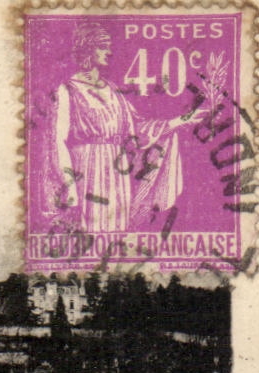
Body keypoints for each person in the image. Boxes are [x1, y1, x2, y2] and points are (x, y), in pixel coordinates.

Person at [53, 23, 198, 234]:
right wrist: (70, 187)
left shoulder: (113, 90)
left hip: (117, 172)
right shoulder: (68, 90)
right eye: (103, 47)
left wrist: (178, 122)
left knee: (117, 231)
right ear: (88, 49)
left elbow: (136, 130)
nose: (109, 52)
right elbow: (58, 141)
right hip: (87, 169)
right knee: (89, 231)